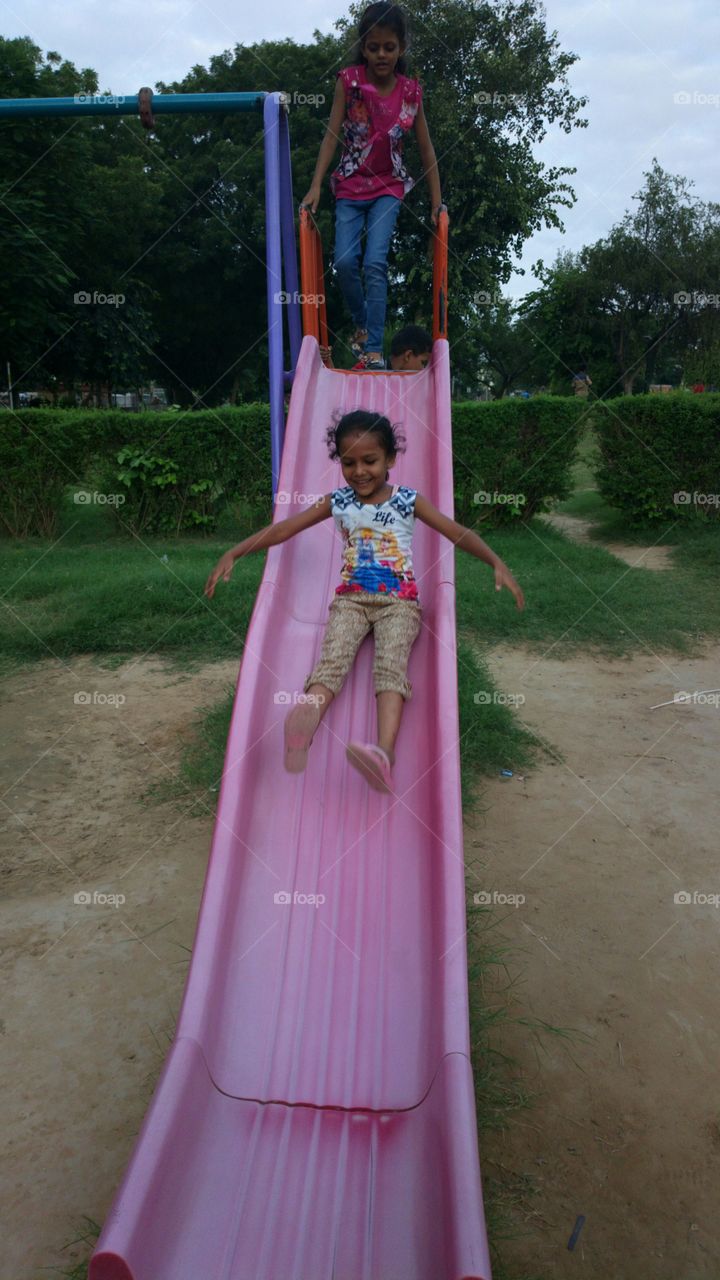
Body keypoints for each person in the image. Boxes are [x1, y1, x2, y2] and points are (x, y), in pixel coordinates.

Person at [205, 410, 524, 795]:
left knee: (391, 669)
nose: (359, 471)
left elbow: (454, 531)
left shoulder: (409, 500)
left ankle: (383, 755)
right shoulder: (338, 501)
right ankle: (306, 722)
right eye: (349, 462)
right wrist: (236, 552)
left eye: (370, 461)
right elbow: (286, 527)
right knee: (331, 663)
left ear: (390, 459)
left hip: (399, 604)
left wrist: (495, 560)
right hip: (351, 601)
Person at [300, 3, 443, 372]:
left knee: (376, 263)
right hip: (349, 184)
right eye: (374, 47)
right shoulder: (349, 83)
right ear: (364, 48)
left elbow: (426, 148)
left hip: (388, 188)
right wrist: (316, 185)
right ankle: (364, 323)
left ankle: (374, 349)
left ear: (401, 49)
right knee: (345, 263)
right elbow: (332, 134)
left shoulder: (411, 92)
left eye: (390, 47)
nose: (382, 54)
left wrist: (436, 203)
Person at [320, 323, 432, 372]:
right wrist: (327, 359)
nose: (423, 369)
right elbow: (341, 387)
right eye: (423, 363)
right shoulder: (370, 367)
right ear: (408, 355)